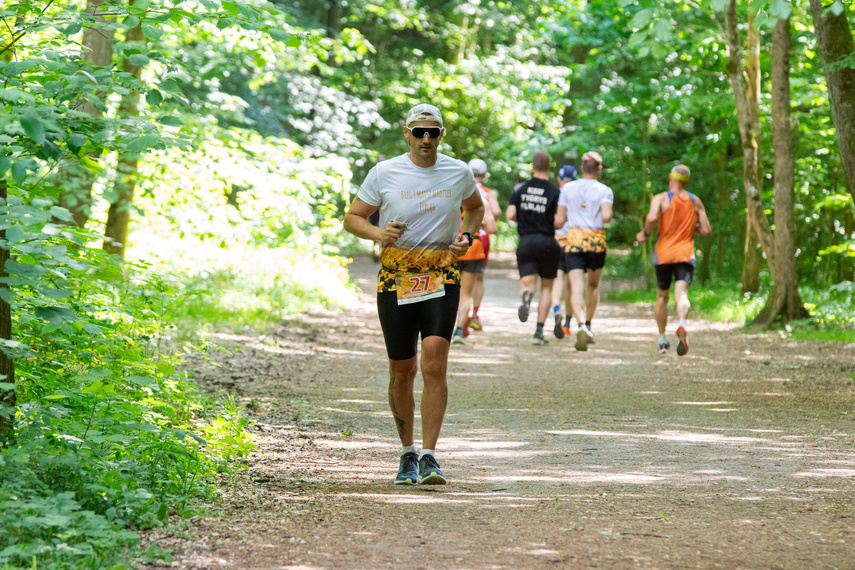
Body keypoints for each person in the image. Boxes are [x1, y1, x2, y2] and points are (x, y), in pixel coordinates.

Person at [343, 103, 485, 485]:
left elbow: (476, 207)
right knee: (402, 370)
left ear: (442, 135)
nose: (426, 139)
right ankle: (407, 453)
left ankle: (430, 456)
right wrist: (378, 233)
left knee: (435, 362)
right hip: (396, 278)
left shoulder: (458, 172)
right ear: (406, 132)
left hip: (441, 275)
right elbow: (352, 218)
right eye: (419, 131)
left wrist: (467, 238)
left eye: (433, 132)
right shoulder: (384, 172)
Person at [635, 165, 711, 355]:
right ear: (687, 181)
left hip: (664, 254)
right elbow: (707, 230)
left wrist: (645, 233)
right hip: (685, 253)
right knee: (681, 294)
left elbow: (652, 217)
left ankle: (662, 340)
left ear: (671, 178)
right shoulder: (695, 201)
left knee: (662, 296)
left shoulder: (660, 198)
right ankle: (682, 323)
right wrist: (690, 228)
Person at [554, 151, 613, 352]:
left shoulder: (568, 188)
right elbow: (606, 217)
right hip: (596, 241)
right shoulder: (605, 190)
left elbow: (560, 220)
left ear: (581, 169)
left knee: (576, 285)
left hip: (574, 241)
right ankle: (588, 324)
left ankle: (579, 325)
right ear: (599, 169)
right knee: (593, 285)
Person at [506, 150, 562, 345]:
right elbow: (558, 222)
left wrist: (524, 217)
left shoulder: (520, 188)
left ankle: (527, 296)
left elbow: (510, 214)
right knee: (547, 288)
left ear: (532, 166)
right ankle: (539, 331)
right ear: (549, 166)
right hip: (547, 242)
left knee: (527, 284)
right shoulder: (555, 191)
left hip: (526, 241)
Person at [452, 172, 497, 344]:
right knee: (466, 294)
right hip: (472, 247)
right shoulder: (481, 201)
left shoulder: (448, 198)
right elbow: (492, 228)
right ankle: (458, 331)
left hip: (450, 248)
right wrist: (480, 223)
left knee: (447, 291)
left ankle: (441, 330)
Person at [466, 159, 502, 333]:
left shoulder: (463, 190)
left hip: (461, 235)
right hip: (482, 237)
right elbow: (495, 212)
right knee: (478, 277)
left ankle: (461, 315)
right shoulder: (488, 193)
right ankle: (474, 314)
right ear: (485, 175)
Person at [551, 164, 577, 339]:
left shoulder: (555, 195)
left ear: (559, 179)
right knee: (572, 286)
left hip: (556, 242)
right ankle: (567, 323)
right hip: (574, 243)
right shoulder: (577, 195)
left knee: (556, 282)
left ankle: (556, 311)